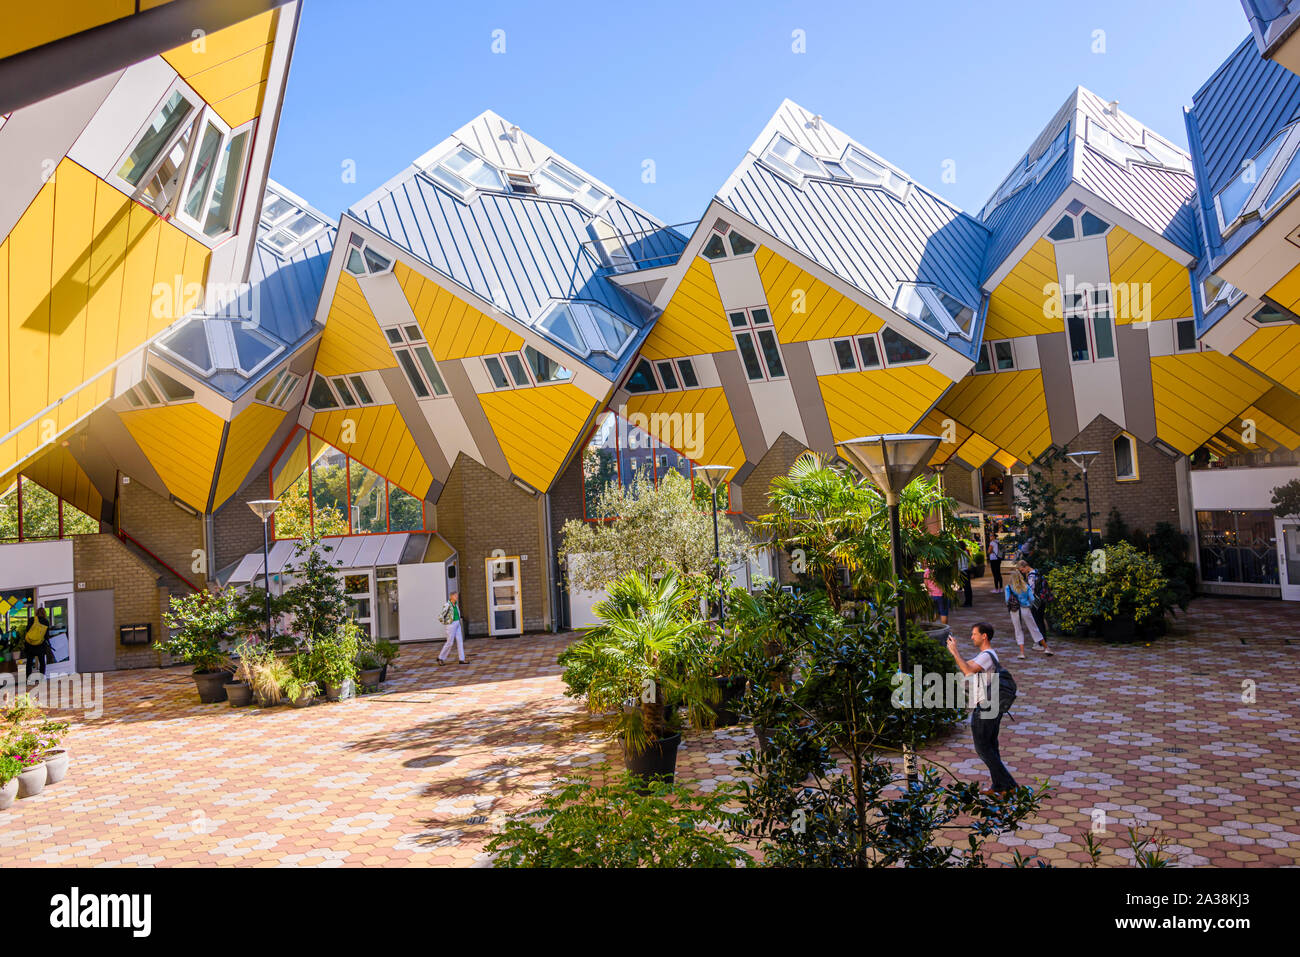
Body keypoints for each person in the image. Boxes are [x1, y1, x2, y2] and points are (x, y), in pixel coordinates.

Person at [946, 622, 1018, 795]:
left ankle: (1009, 784)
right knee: (991, 747)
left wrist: (955, 651)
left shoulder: (987, 655)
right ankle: (999, 786)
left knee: (983, 748)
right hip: (990, 706)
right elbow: (965, 666)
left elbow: (968, 671)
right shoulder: (986, 656)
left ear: (984, 636)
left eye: (974, 634)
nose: (972, 637)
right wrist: (951, 651)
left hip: (986, 707)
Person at [1004, 565, 1051, 658]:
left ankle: (1022, 653)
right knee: (1034, 628)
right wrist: (1028, 605)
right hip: (1025, 609)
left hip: (1015, 610)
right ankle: (1046, 648)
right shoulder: (1025, 586)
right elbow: (1032, 599)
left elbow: (1007, 600)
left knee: (1018, 630)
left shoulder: (1008, 587)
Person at [1020, 558, 1049, 641]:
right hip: (1042, 599)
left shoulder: (1031, 576)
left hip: (1035, 601)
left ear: (1025, 567)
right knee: (1040, 620)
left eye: (1022, 570)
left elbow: (1031, 590)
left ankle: (1041, 641)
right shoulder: (1037, 572)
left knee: (1037, 621)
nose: (1022, 572)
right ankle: (1043, 639)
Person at [437, 591, 465, 665]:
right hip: (451, 625)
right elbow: (441, 616)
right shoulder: (447, 605)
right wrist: (447, 623)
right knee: (450, 642)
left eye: (457, 596)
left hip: (457, 624)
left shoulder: (456, 605)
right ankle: (441, 658)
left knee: (460, 641)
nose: (457, 597)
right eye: (455, 596)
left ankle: (462, 659)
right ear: (451, 597)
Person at [23, 607, 51, 679]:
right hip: (40, 645)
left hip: (30, 644)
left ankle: (28, 679)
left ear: (36, 613)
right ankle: (41, 678)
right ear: (44, 614)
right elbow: (46, 636)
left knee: (29, 663)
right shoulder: (46, 622)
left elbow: (27, 630)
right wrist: (49, 643)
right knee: (42, 662)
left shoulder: (32, 619)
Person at [958, 544, 973, 608]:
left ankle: (968, 602)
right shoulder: (966, 552)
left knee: (966, 587)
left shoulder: (960, 553)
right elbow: (969, 560)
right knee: (968, 587)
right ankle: (969, 601)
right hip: (966, 570)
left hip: (963, 570)